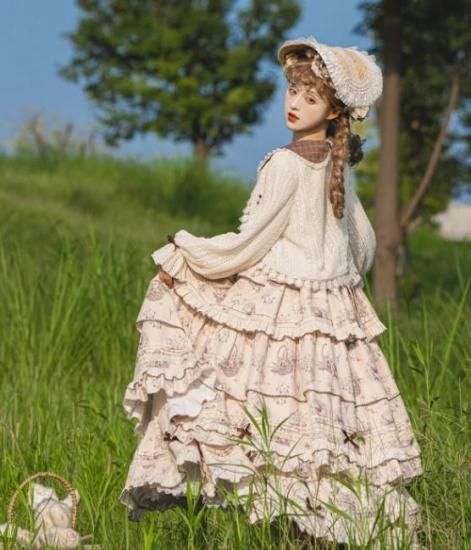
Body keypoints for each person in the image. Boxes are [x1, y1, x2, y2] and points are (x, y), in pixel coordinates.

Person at [119, 35, 423, 547]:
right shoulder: (335, 161)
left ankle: (295, 528)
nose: (294, 103)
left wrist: (188, 252)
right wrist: (338, 281)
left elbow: (250, 242)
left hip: (286, 305)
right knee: (323, 428)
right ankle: (323, 529)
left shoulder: (285, 163)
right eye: (292, 91)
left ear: (333, 111)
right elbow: (363, 245)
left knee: (262, 413)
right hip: (332, 313)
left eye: (310, 97)